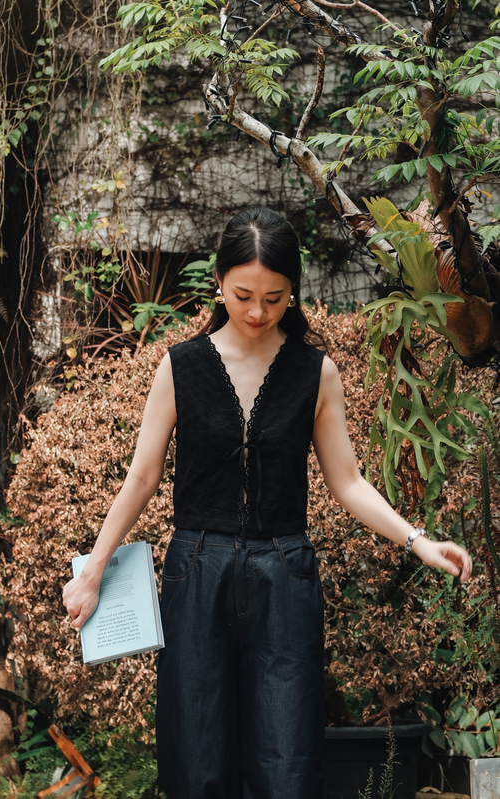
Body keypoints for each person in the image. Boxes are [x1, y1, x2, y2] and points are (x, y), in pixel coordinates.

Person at [62, 207, 472, 799]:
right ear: (220, 282)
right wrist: (95, 569)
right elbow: (142, 477)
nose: (258, 312)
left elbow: (348, 482)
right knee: (195, 752)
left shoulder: (315, 373)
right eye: (244, 294)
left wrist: (419, 541)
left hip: (286, 578)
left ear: (293, 292)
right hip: (195, 573)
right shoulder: (180, 367)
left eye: (275, 298)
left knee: (286, 760)